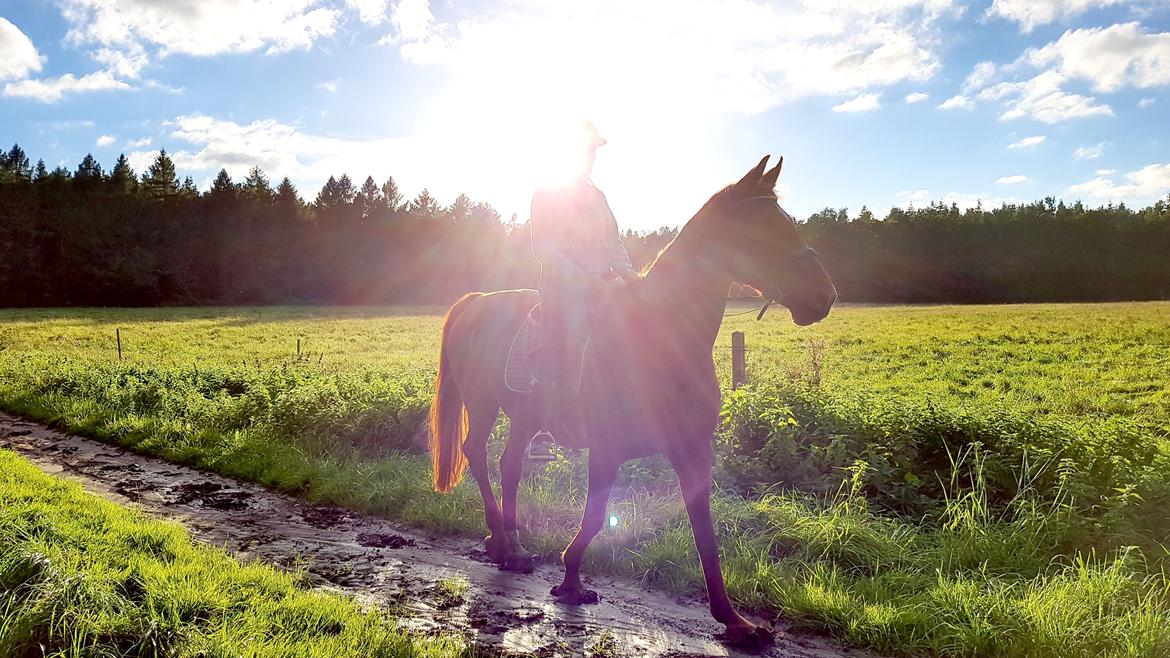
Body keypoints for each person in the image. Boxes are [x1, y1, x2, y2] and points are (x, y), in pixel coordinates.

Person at [528, 121, 638, 460]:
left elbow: (613, 241)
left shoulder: (598, 197)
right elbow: (542, 246)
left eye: (593, 152)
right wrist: (584, 278)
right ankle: (542, 427)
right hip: (564, 288)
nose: (590, 158)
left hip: (603, 285)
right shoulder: (545, 194)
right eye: (585, 151)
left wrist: (629, 273)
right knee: (567, 337)